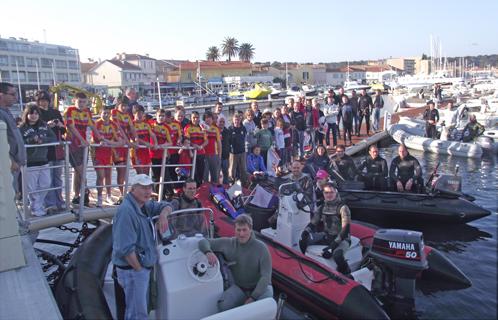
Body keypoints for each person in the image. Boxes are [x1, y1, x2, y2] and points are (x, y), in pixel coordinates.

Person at [112, 174, 173, 320]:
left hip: (142, 267)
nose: (148, 191)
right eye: (143, 187)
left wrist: (163, 215)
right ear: (133, 189)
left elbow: (167, 205)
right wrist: (139, 270)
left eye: (150, 187)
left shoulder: (144, 205)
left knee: (139, 309)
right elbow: (125, 249)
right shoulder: (126, 212)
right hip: (133, 271)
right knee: (136, 313)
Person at [199, 214, 273, 312]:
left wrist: (253, 298)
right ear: (234, 230)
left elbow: (266, 277)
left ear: (251, 229)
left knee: (266, 304)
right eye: (238, 230)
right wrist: (208, 252)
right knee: (223, 305)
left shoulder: (261, 248)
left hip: (259, 287)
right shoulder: (228, 243)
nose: (241, 234)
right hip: (240, 288)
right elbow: (203, 242)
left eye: (244, 230)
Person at [299, 183, 352, 275]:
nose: (329, 195)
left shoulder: (343, 208)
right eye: (326, 193)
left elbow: (345, 230)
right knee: (302, 240)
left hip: (342, 239)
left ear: (336, 193)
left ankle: (345, 271)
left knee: (337, 255)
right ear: (323, 194)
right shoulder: (321, 207)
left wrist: (332, 247)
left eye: (331, 192)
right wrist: (306, 231)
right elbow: (313, 222)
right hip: (326, 236)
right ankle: (304, 263)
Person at [64, 92, 104, 206]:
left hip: (83, 145)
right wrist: (82, 139)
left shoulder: (87, 112)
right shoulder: (70, 110)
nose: (81, 104)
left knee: (79, 171)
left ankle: (77, 195)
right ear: (74, 101)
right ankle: (85, 191)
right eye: (79, 101)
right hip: (73, 144)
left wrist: (100, 138)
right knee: (80, 171)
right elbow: (71, 127)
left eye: (84, 102)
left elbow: (92, 126)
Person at [19, 105, 57, 217]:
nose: (34, 116)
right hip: (30, 162)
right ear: (27, 114)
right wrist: (31, 140)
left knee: (46, 184)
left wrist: (42, 139)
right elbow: (19, 141)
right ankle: (36, 208)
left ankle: (36, 206)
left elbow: (53, 138)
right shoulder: (22, 128)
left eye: (36, 113)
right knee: (31, 187)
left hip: (43, 159)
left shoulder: (44, 126)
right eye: (31, 113)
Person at [36, 90, 66, 212]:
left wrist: (59, 124)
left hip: (57, 148)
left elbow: (64, 129)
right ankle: (49, 202)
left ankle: (59, 200)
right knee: (47, 178)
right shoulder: (36, 112)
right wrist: (47, 126)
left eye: (45, 100)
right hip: (44, 150)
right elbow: (35, 128)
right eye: (41, 100)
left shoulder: (55, 112)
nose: (44, 103)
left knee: (57, 177)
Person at [92, 108, 125, 206]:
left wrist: (110, 142)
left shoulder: (113, 124)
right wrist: (112, 142)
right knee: (100, 175)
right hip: (97, 152)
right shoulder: (96, 124)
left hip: (109, 152)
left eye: (107, 113)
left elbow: (120, 141)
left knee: (108, 175)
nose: (106, 115)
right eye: (104, 113)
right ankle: (99, 197)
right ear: (100, 113)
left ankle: (109, 196)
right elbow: (97, 138)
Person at [0, 82, 27, 192]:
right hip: (8, 166)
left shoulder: (6, 112)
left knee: (13, 193)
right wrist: (10, 160)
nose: (16, 97)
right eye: (12, 94)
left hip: (15, 164)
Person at [111, 100, 138, 205]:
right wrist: (128, 141)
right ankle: (121, 193)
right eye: (123, 106)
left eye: (126, 106)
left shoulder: (127, 115)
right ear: (118, 105)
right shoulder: (114, 113)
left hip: (125, 146)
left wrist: (135, 140)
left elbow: (132, 128)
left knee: (125, 170)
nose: (124, 108)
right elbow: (117, 126)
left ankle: (125, 192)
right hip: (117, 144)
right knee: (120, 169)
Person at [149, 109, 172, 196]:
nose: (161, 118)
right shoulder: (151, 125)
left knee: (165, 175)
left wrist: (162, 145)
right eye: (159, 116)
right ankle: (157, 195)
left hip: (163, 155)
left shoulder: (167, 128)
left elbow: (170, 142)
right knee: (155, 176)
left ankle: (169, 193)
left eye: (163, 116)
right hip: (152, 155)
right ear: (156, 116)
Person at [132, 105, 157, 175]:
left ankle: (147, 186)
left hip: (146, 151)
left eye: (141, 113)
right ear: (134, 114)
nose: (140, 115)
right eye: (138, 113)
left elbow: (152, 134)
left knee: (146, 174)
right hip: (136, 151)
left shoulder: (146, 124)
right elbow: (134, 137)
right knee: (140, 173)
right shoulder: (132, 124)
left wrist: (156, 144)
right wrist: (145, 143)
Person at [184, 111, 208, 185]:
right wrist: (193, 145)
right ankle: (194, 189)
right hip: (192, 154)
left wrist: (201, 146)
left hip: (201, 153)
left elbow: (206, 141)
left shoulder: (202, 127)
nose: (195, 119)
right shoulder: (187, 128)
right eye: (193, 118)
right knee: (194, 173)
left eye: (197, 117)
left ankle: (200, 188)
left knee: (201, 172)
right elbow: (186, 140)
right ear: (191, 118)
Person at [228, 114, 248, 185]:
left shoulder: (243, 128)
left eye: (238, 120)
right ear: (233, 120)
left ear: (240, 120)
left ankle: (244, 183)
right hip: (233, 153)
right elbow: (228, 141)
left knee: (243, 168)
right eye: (235, 120)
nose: (237, 121)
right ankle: (231, 183)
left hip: (242, 151)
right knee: (232, 169)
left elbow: (245, 137)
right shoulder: (230, 129)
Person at [203, 112, 221, 184]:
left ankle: (215, 192)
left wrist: (219, 155)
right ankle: (206, 191)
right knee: (205, 175)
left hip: (214, 154)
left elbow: (219, 143)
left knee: (215, 176)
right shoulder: (201, 128)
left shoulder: (216, 129)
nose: (208, 119)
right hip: (204, 155)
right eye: (206, 118)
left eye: (209, 118)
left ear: (212, 119)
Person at [218, 117, 230, 184]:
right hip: (217, 156)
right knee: (217, 173)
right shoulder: (215, 131)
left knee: (225, 172)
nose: (222, 123)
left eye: (223, 122)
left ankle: (226, 186)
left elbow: (230, 142)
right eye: (220, 122)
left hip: (225, 156)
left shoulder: (227, 131)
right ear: (217, 122)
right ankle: (216, 187)